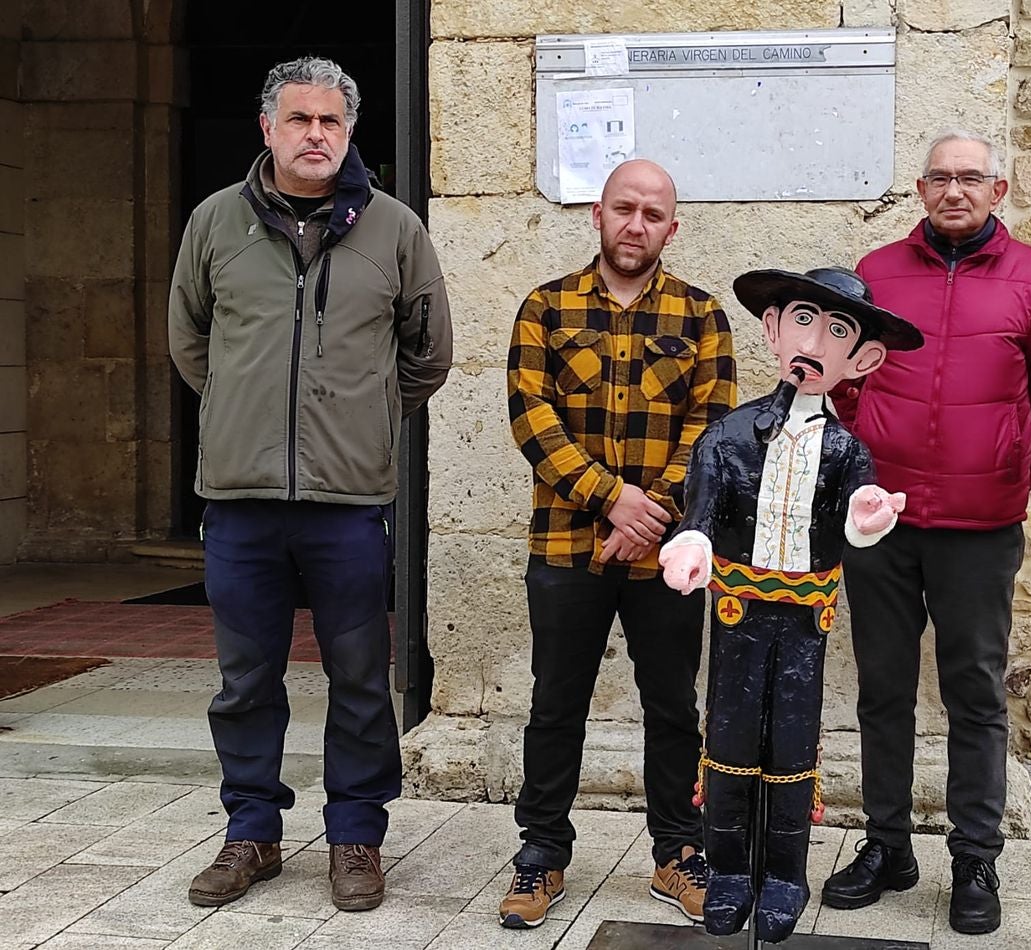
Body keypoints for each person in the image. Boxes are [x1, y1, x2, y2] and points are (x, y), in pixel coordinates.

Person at [168, 56, 453, 912]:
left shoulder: (395, 229)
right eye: (300, 120)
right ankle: (251, 832)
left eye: (330, 121)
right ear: (268, 128)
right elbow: (191, 343)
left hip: (347, 501)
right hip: (241, 497)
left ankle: (356, 837)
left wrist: (360, 418)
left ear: (350, 130)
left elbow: (428, 354)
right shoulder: (216, 223)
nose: (316, 135)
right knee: (245, 678)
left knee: (362, 675)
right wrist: (243, 414)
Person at [821, 128, 1031, 935]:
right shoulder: (877, 273)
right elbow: (844, 377)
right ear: (921, 189)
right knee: (882, 691)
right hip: (883, 522)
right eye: (941, 179)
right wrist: (870, 455)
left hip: (981, 526)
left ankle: (975, 859)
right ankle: (887, 845)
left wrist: (1006, 471)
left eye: (972, 178)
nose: (956, 191)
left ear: (998, 191)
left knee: (975, 695)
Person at [501, 159, 737, 930]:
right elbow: (532, 421)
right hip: (566, 548)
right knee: (554, 704)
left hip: (667, 557)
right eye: (624, 209)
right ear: (598, 214)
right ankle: (541, 854)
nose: (637, 225)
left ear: (675, 227)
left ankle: (677, 853)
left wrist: (650, 515)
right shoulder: (545, 306)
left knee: (672, 705)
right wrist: (613, 500)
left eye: (653, 214)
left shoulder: (703, 317)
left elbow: (712, 429)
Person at [659, 266, 922, 942]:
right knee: (729, 737)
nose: (816, 340)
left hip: (805, 621)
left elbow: (858, 524)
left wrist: (869, 517)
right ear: (775, 330)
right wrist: (691, 544)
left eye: (838, 332)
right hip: (739, 616)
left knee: (793, 746)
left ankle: (783, 873)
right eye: (803, 319)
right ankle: (725, 871)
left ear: (861, 360)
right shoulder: (725, 437)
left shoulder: (846, 451)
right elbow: (704, 511)